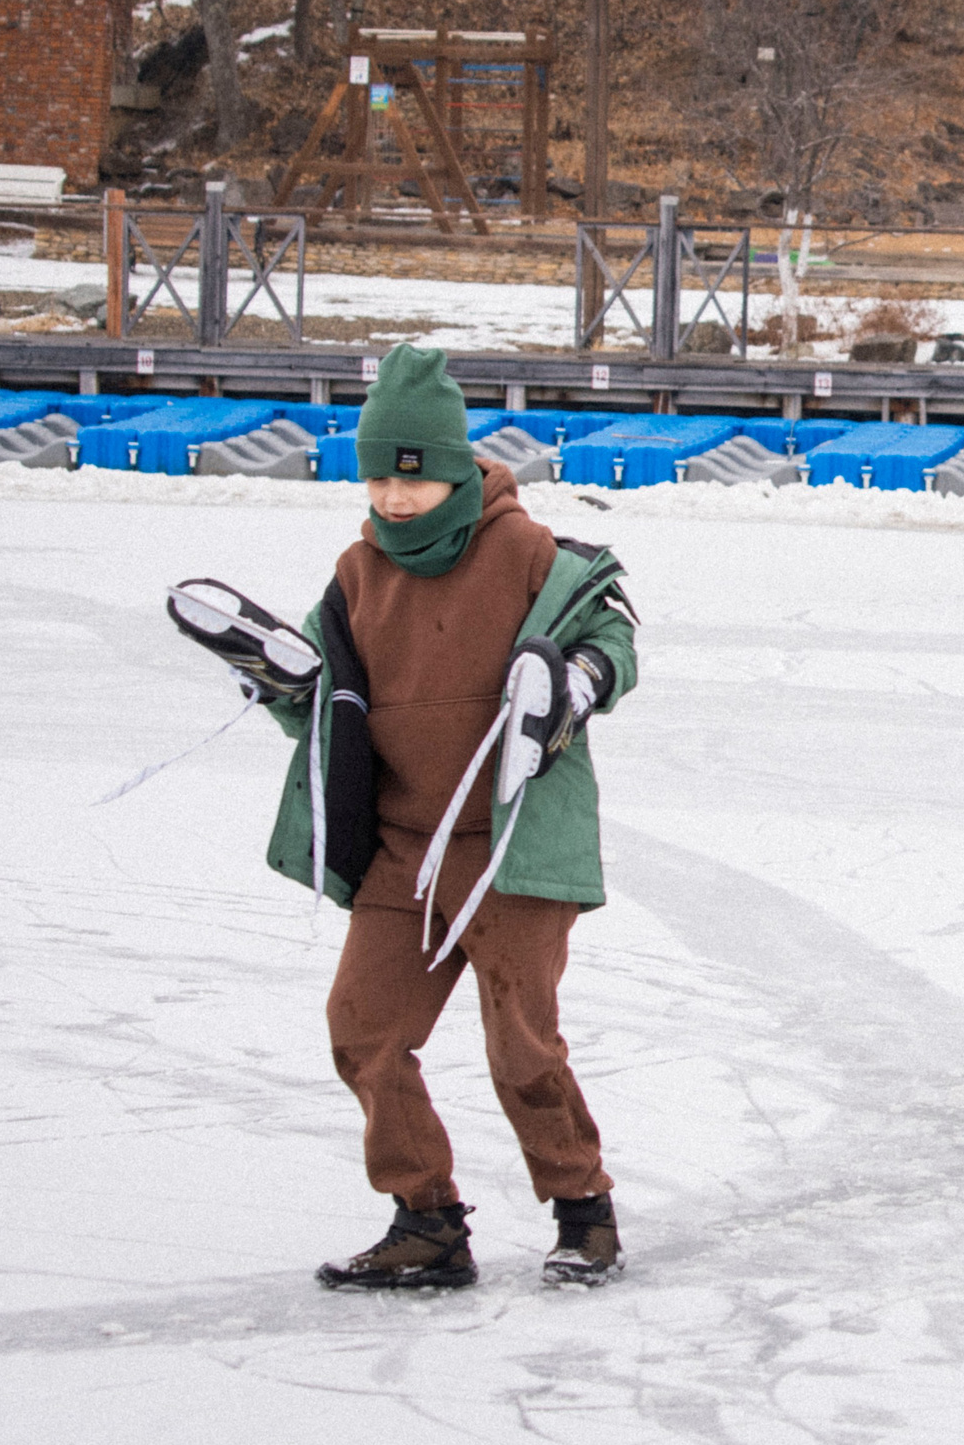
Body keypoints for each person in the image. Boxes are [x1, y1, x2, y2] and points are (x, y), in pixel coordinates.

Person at [180, 345, 639, 1289]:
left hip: (507, 852)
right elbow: (321, 701)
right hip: (404, 851)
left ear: (454, 468)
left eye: (414, 477)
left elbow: (611, 632)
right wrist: (276, 679)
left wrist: (579, 684)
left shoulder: (524, 552)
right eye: (379, 478)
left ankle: (582, 1208)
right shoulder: (356, 573)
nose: (394, 499)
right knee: (364, 1027)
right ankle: (425, 1218)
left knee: (521, 1046)